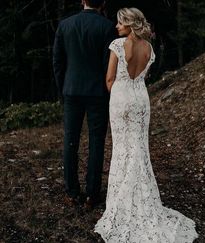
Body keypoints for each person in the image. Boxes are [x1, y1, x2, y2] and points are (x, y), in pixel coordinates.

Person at [94, 7, 198, 242]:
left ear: (130, 24)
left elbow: (109, 79)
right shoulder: (149, 49)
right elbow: (141, 76)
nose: (116, 26)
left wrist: (119, 94)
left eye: (120, 23)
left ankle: (122, 203)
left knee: (121, 150)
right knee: (140, 150)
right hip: (141, 99)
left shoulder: (117, 45)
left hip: (121, 99)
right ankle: (142, 197)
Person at [52, 0, 116, 208]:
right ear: (103, 2)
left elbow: (57, 61)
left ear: (82, 1)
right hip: (98, 93)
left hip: (71, 91)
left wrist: (64, 89)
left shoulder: (65, 25)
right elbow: (109, 65)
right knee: (96, 142)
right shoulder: (107, 27)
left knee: (71, 140)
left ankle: (71, 192)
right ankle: (92, 194)